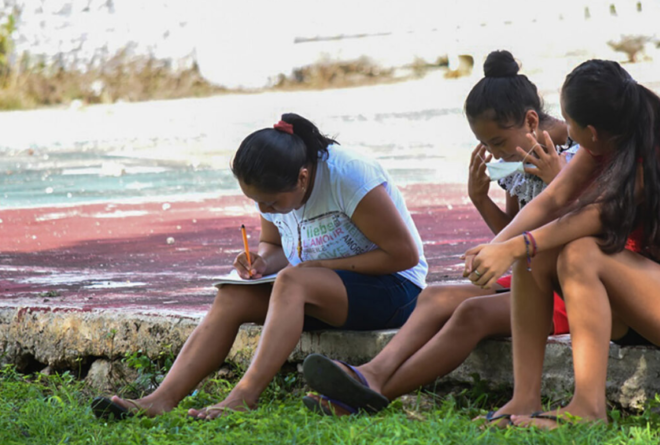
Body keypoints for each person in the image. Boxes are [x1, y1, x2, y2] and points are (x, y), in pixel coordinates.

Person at [461, 59, 660, 429]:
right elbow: (552, 200)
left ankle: (588, 410)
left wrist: (516, 246)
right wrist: (495, 248)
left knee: (580, 252)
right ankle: (524, 398)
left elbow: (594, 216)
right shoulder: (602, 142)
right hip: (647, 299)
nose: (565, 130)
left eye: (569, 122)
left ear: (591, 131)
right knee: (537, 255)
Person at [91, 113, 428, 420]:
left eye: (272, 202)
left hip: (394, 290)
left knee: (294, 280)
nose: (266, 208)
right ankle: (161, 399)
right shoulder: (276, 184)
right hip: (321, 290)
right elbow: (277, 247)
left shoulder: (348, 175)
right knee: (232, 295)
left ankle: (244, 396)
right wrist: (262, 260)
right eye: (257, 202)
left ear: (303, 177)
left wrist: (320, 266)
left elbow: (403, 255)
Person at [301, 50, 575, 416]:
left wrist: (555, 180)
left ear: (529, 119)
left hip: (567, 288)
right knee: (434, 297)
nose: (494, 154)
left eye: (497, 142)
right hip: (531, 276)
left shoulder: (574, 154)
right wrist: (479, 198)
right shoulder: (520, 155)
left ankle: (365, 397)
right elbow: (512, 231)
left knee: (470, 314)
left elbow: (584, 225)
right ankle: (371, 373)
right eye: (487, 145)